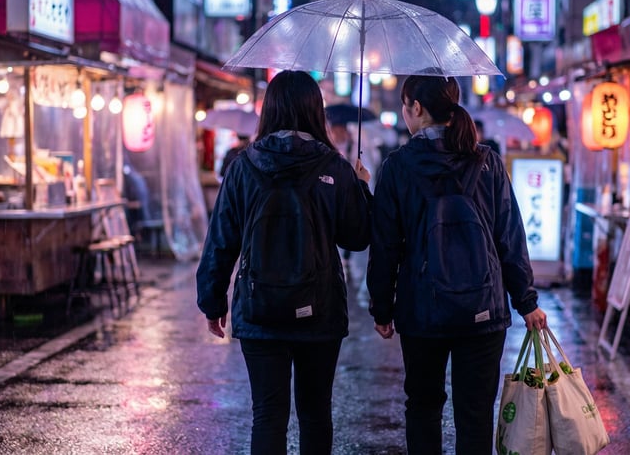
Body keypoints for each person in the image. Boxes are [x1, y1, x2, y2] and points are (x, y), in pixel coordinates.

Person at [366, 73, 548, 454]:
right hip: (483, 309)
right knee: (475, 415)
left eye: (405, 105)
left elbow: (385, 246)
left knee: (423, 409)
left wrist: (382, 308)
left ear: (415, 108)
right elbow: (509, 238)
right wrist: (526, 301)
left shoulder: (397, 167)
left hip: (421, 311)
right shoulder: (488, 163)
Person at [196, 70, 372, 454]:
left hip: (259, 310)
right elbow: (358, 238)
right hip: (320, 309)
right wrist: (360, 186)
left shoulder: (243, 167)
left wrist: (212, 301)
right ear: (315, 110)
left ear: (270, 111)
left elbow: (222, 240)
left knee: (268, 415)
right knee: (315, 414)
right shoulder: (335, 167)